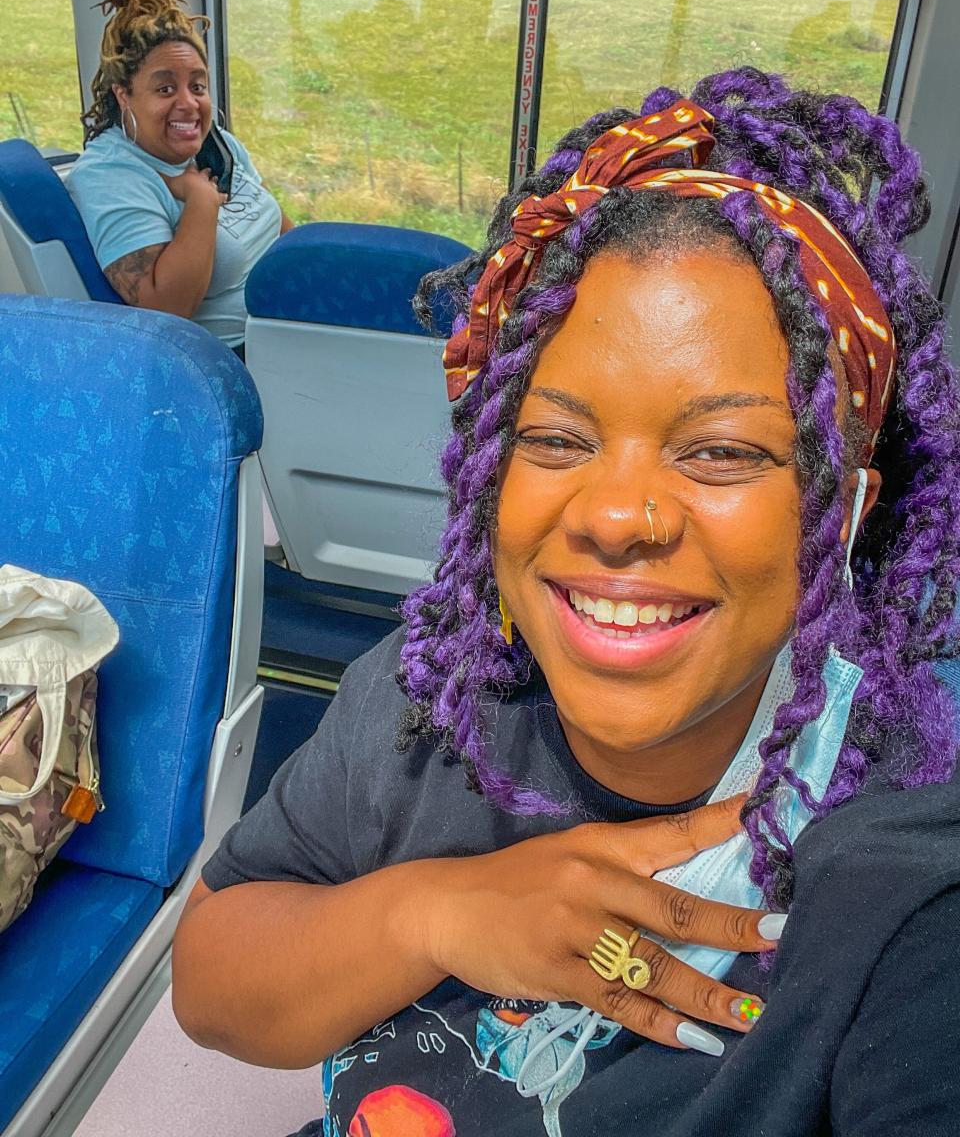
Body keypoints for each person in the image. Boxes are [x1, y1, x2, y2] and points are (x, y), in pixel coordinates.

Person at [172, 67, 960, 1137]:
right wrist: (435, 913)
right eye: (556, 438)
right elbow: (210, 982)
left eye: (722, 449)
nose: (619, 514)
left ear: (844, 509)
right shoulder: (427, 689)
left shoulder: (901, 845)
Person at [67, 0, 294, 353]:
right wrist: (201, 201)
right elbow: (166, 310)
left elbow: (284, 234)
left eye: (198, 86)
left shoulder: (216, 145)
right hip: (224, 361)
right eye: (166, 88)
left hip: (289, 327)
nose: (189, 104)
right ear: (124, 95)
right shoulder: (110, 175)